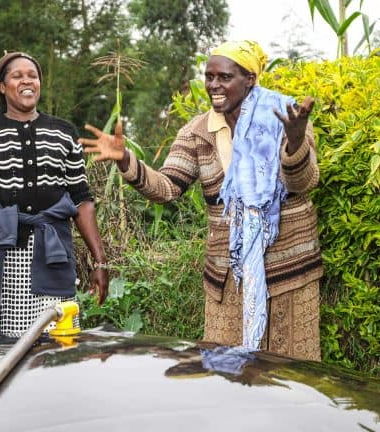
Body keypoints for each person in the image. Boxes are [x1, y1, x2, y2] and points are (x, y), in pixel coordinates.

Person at [80, 40, 322, 361]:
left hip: (289, 274)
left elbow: (303, 183)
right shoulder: (197, 132)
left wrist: (294, 143)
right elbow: (167, 187)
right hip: (228, 279)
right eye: (209, 77)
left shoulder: (285, 118)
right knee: (226, 377)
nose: (213, 86)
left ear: (249, 79)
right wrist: (126, 160)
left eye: (224, 77)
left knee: (290, 377)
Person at [0, 52, 109, 337]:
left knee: (57, 342)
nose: (27, 81)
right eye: (17, 76)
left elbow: (81, 200)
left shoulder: (63, 133)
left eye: (33, 76)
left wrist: (99, 260)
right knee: (1, 346)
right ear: (2, 86)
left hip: (52, 254)